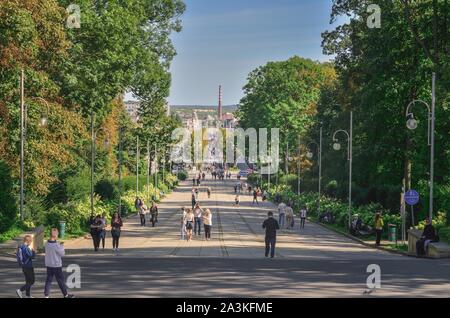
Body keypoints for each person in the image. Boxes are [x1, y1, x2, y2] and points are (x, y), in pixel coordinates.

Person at [44, 228, 74, 298]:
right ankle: (65, 295)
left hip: (49, 264)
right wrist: (62, 246)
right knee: (60, 280)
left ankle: (46, 295)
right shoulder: (56, 245)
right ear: (55, 235)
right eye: (57, 234)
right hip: (56, 265)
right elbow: (62, 254)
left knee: (48, 280)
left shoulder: (46, 243)